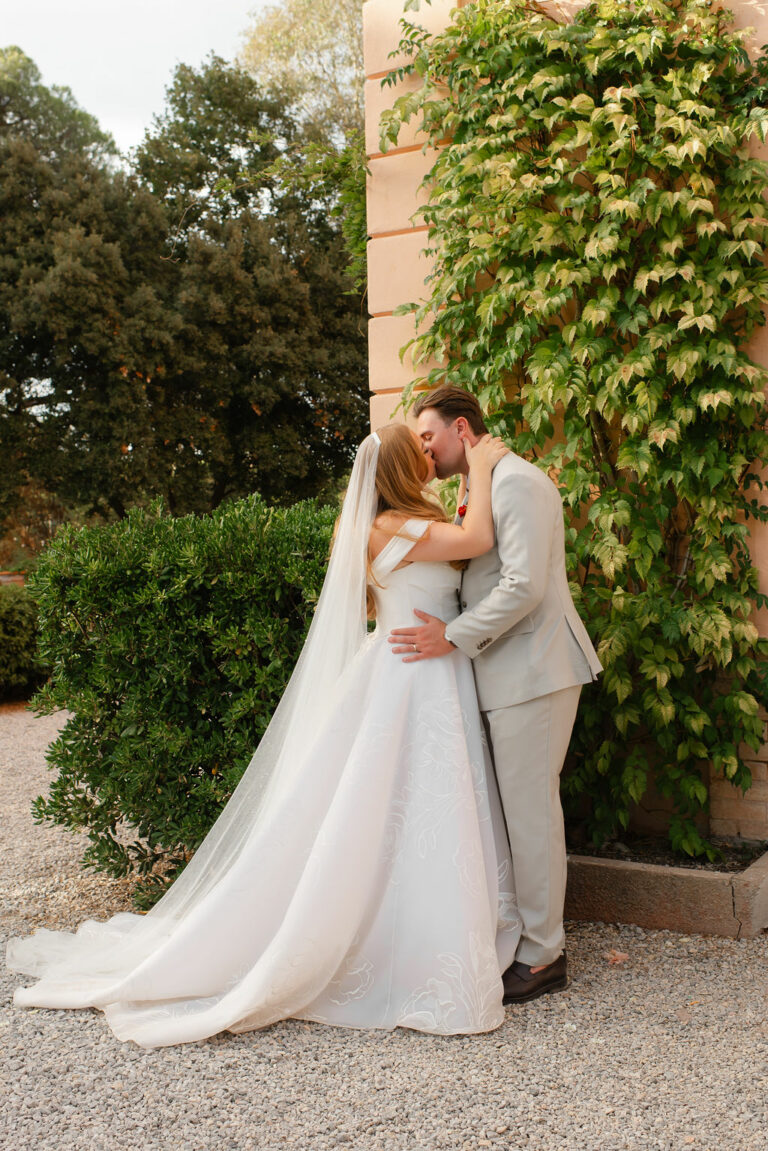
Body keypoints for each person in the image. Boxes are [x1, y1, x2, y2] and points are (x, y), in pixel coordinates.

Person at [7, 424, 522, 1048]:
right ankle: (406, 945)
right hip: (413, 676)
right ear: (397, 469)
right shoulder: (392, 526)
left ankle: (423, 929)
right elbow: (478, 539)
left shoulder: (391, 523)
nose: (428, 453)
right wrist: (484, 465)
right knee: (401, 804)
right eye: (418, 450)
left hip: (423, 670)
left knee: (413, 806)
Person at [389, 386, 602, 1003]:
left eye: (428, 436)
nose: (424, 450)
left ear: (461, 428)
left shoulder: (516, 481)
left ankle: (542, 957)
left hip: (533, 671)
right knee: (518, 814)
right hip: (505, 673)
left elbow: (523, 586)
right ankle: (528, 939)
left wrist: (452, 636)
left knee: (533, 815)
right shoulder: (478, 484)